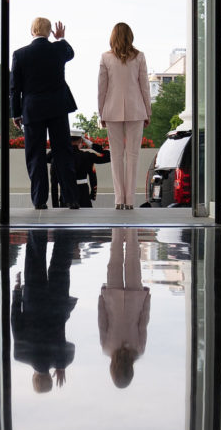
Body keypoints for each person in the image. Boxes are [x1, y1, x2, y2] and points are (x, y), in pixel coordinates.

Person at [11, 17, 79, 209]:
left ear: (32, 31)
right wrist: (61, 39)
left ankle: (39, 200)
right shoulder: (58, 50)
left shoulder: (20, 54)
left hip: (33, 109)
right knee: (63, 152)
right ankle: (71, 198)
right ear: (50, 32)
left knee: (36, 155)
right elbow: (70, 53)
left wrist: (16, 113)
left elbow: (15, 88)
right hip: (58, 107)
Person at [12, 230, 77, 392]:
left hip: (57, 303)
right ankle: (37, 228)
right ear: (34, 378)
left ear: (50, 378)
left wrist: (61, 366)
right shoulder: (20, 355)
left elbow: (71, 347)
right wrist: (17, 293)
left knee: (61, 262)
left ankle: (66, 229)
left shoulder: (62, 359)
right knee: (35, 254)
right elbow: (15, 320)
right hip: (33, 299)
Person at [97, 22, 151, 210]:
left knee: (117, 156)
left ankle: (119, 199)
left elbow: (101, 88)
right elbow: (144, 86)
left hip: (111, 110)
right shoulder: (139, 57)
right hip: (136, 110)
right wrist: (148, 111)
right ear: (130, 36)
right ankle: (129, 200)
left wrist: (101, 111)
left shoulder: (105, 57)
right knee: (133, 155)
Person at [98, 228, 149, 388]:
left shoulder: (138, 350)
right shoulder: (107, 348)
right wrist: (101, 298)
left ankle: (132, 227)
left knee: (133, 254)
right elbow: (102, 321)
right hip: (112, 297)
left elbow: (143, 323)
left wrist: (146, 299)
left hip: (135, 298)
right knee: (115, 253)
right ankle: (118, 228)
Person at [51, 129, 110, 209]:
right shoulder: (86, 156)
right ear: (80, 140)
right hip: (83, 195)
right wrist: (91, 144)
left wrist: (55, 205)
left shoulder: (59, 158)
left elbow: (54, 183)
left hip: (66, 196)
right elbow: (108, 156)